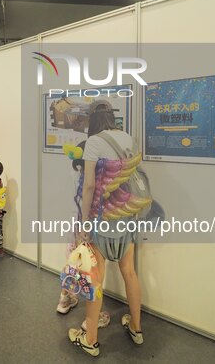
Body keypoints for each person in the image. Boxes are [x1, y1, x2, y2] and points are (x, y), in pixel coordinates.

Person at [68, 100, 144, 357]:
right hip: (127, 219)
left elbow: (89, 185)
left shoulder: (94, 142)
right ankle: (136, 327)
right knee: (130, 273)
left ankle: (90, 340)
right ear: (112, 117)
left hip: (102, 221)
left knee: (95, 281)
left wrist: (84, 222)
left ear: (92, 120)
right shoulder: (129, 139)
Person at [57, 141, 110, 330]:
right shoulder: (91, 179)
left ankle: (65, 299)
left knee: (71, 264)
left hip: (72, 226)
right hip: (87, 228)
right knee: (93, 272)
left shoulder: (72, 173)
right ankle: (93, 318)